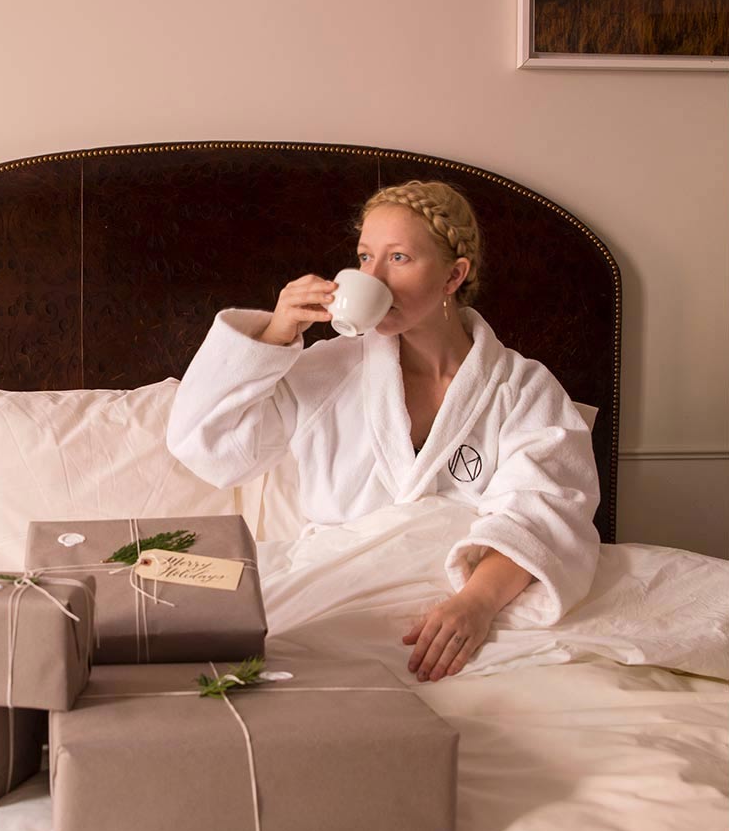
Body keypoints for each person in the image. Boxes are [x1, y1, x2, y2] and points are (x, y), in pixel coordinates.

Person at [167, 180, 600, 683]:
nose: (373, 277)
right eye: (364, 257)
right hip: (340, 591)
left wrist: (475, 606)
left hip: (471, 605)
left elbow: (546, 509)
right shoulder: (327, 370)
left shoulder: (519, 388)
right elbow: (208, 444)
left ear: (452, 276)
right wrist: (274, 335)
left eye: (398, 258)